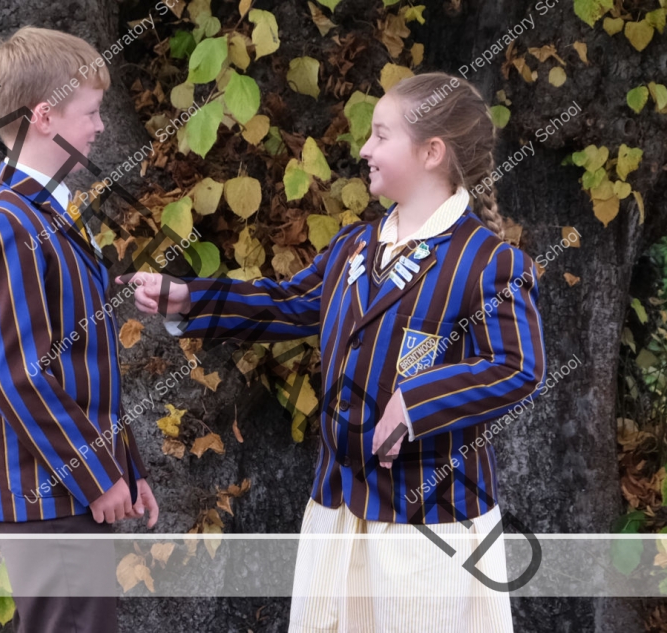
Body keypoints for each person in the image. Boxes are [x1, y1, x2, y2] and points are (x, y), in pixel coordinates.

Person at [122, 72, 544, 633]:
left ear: (432, 152)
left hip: (429, 525)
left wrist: (414, 403)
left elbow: (516, 367)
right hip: (336, 512)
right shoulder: (353, 245)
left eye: (381, 135)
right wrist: (189, 297)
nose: (364, 149)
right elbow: (288, 303)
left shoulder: (490, 261)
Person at [0, 25, 159, 633]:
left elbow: (84, 367)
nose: (101, 126)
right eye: (90, 112)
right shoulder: (8, 225)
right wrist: (97, 474)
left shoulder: (51, 212)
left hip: (69, 483)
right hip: (45, 488)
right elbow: (17, 373)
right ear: (43, 117)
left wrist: (124, 467)